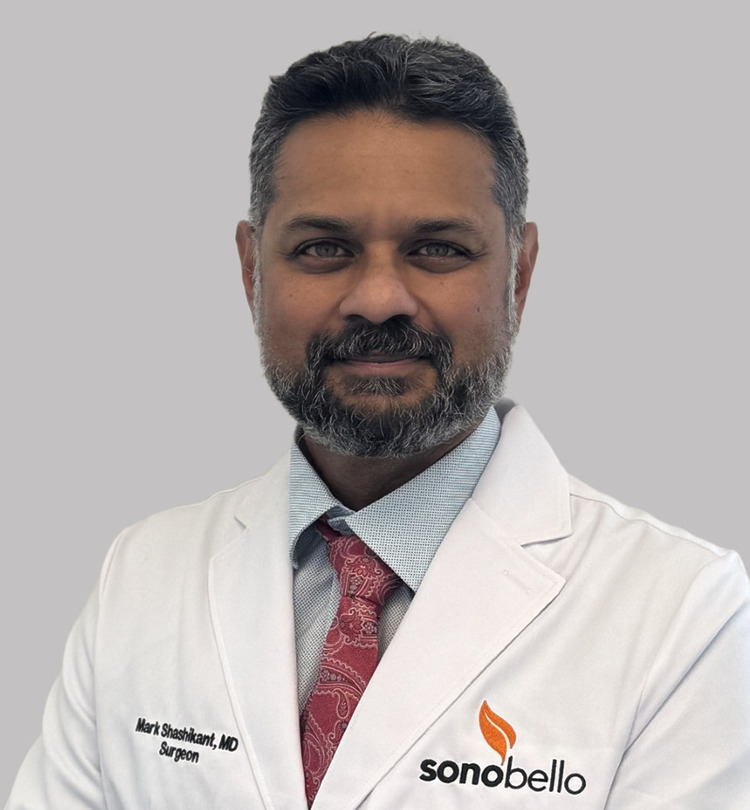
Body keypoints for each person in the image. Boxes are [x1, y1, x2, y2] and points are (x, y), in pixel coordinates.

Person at [6, 33, 750, 810]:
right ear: (251, 270)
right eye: (325, 248)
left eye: (438, 249)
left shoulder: (683, 613)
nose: (379, 297)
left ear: (519, 276)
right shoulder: (143, 576)